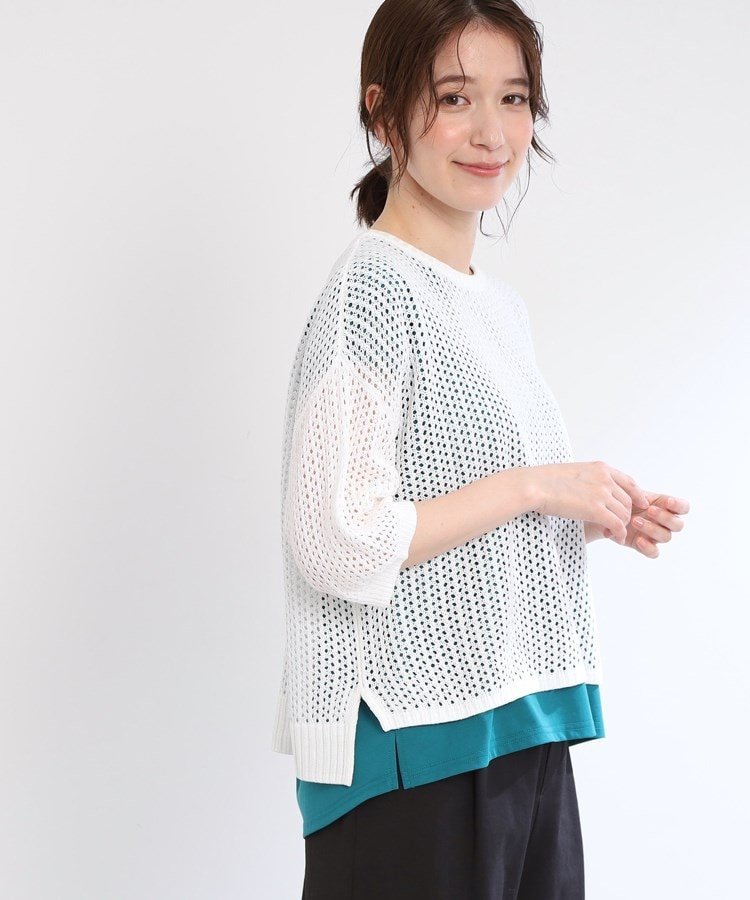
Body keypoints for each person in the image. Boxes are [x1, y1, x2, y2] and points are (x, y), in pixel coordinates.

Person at [271, 1, 690, 897]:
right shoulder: (369, 293)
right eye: (455, 97)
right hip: (414, 747)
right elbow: (335, 537)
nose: (492, 133)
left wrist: (587, 509)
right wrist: (534, 487)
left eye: (514, 98)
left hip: (520, 726)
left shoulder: (496, 307)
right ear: (384, 112)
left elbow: (447, 515)